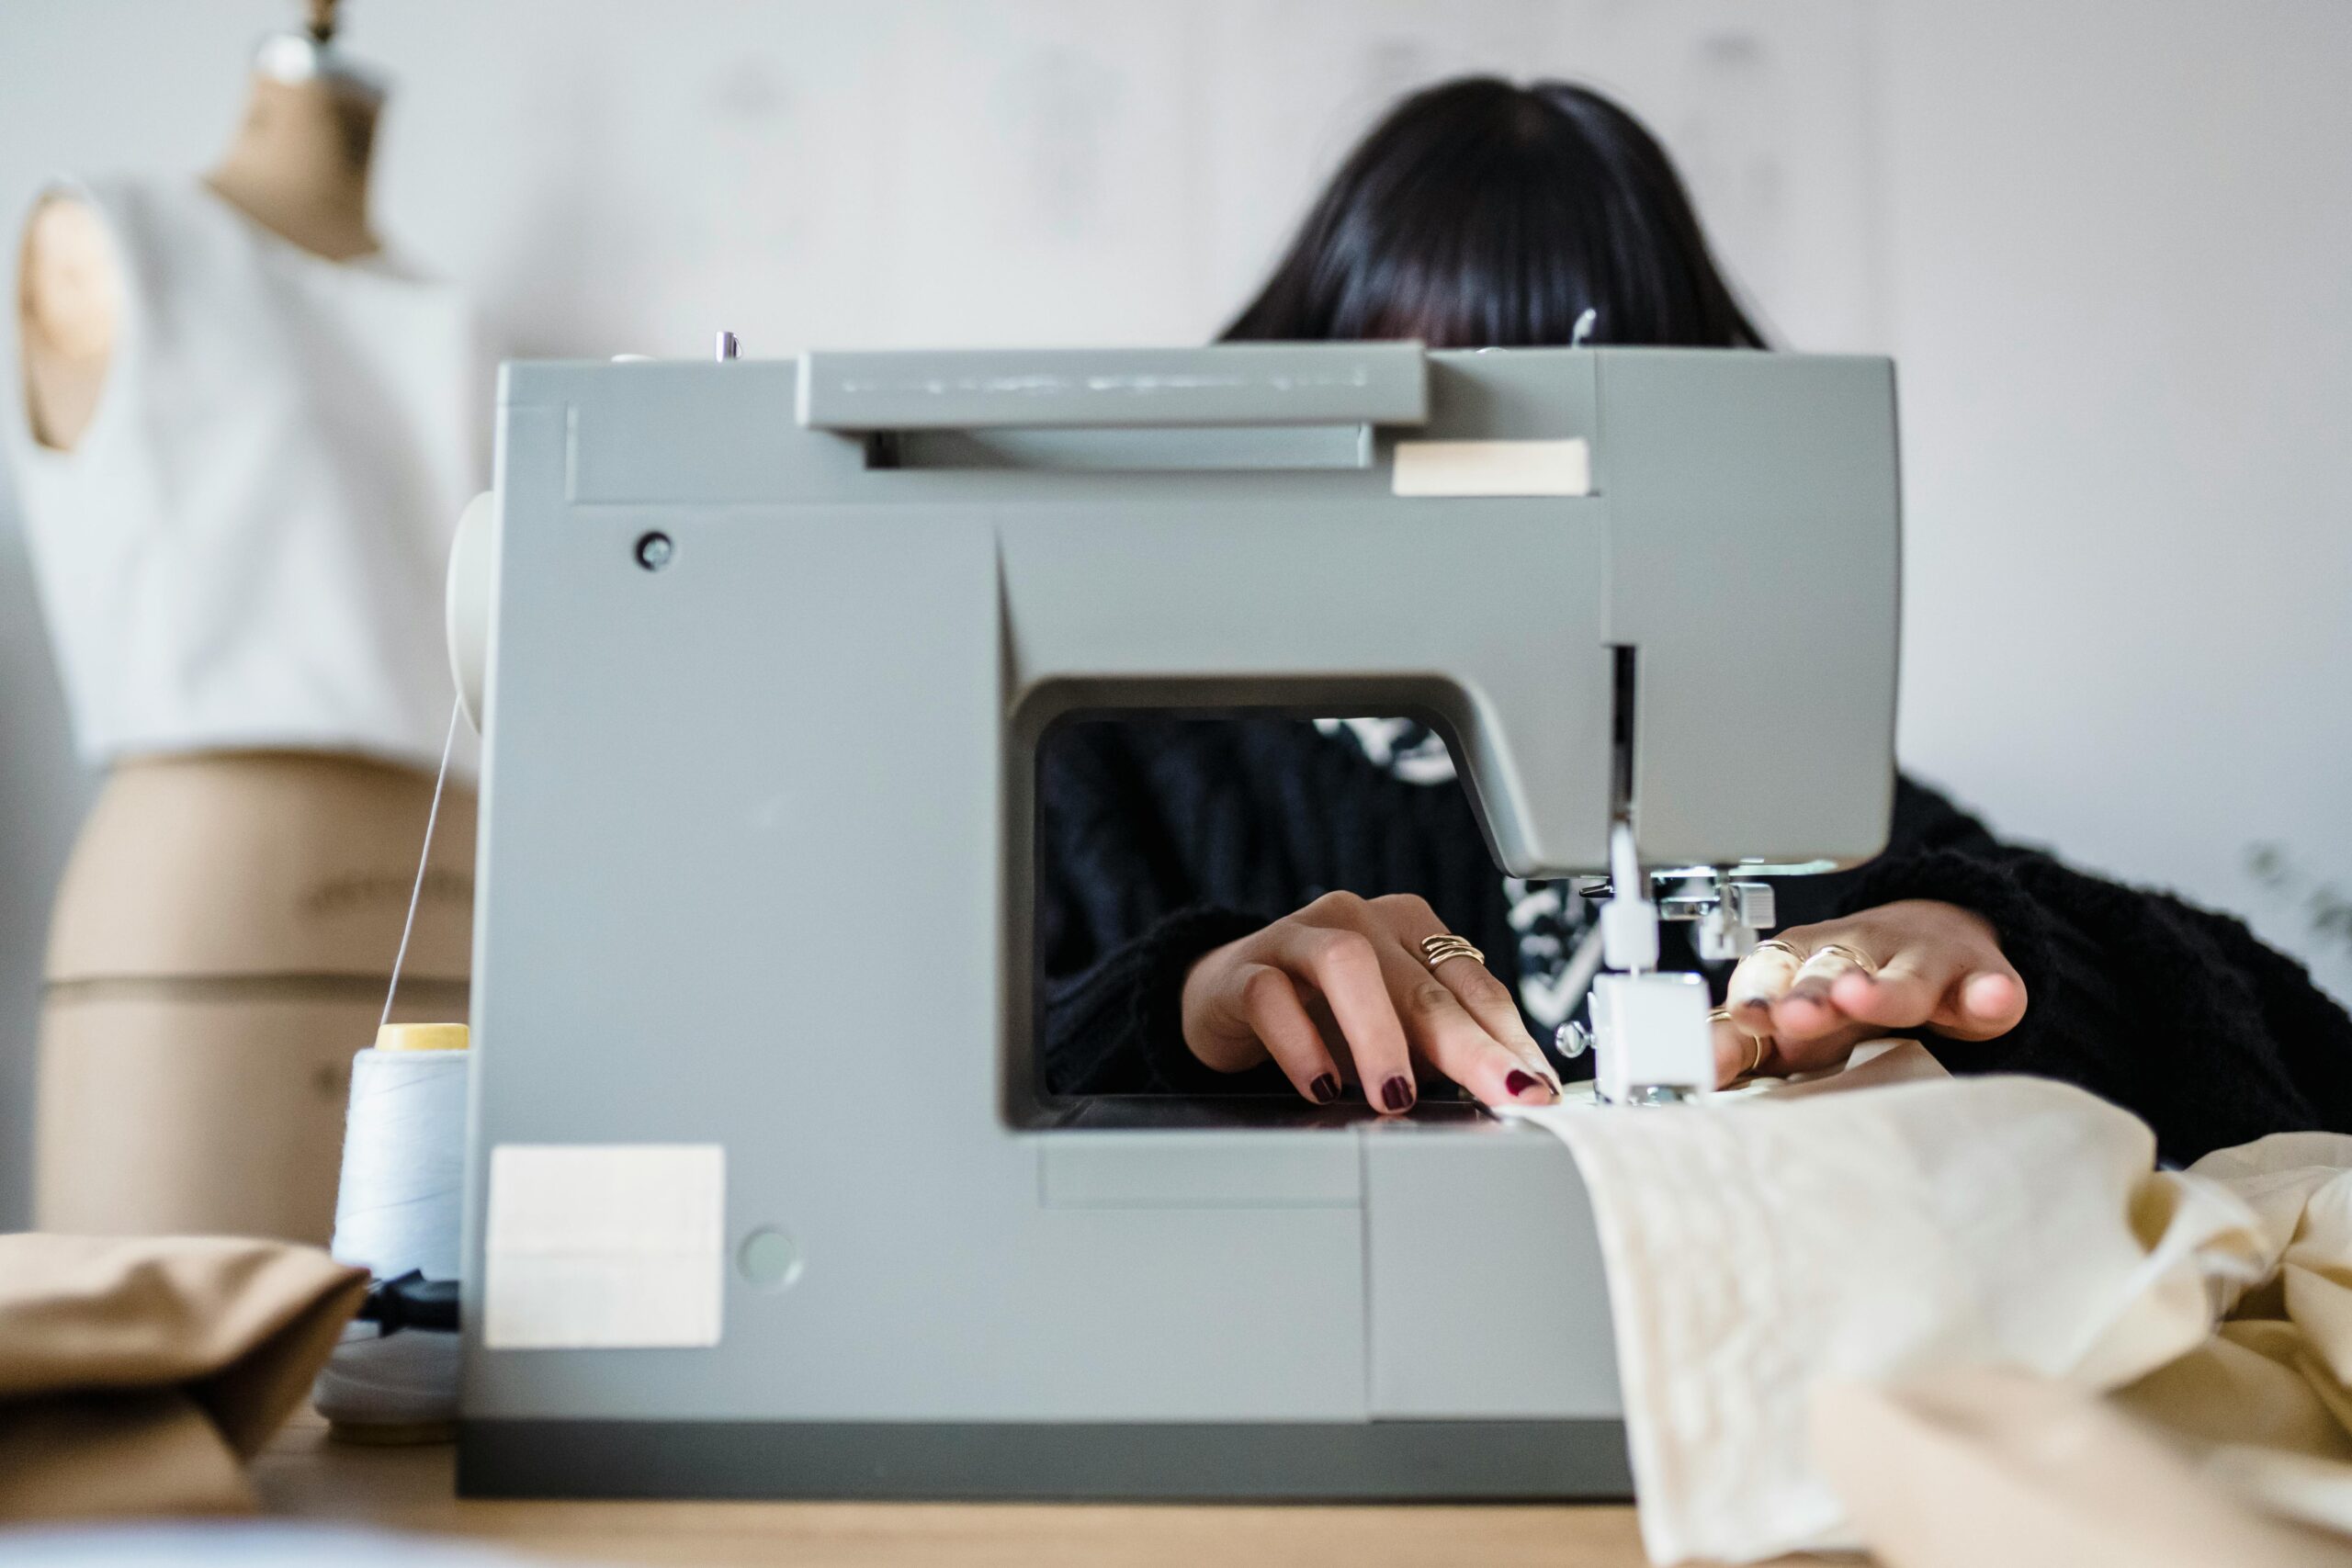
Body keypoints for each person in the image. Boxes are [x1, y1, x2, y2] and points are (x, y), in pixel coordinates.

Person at [1036, 75, 2352, 1164]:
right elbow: (895, 1086)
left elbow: (2304, 1060)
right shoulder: (1105, 781)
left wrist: (1996, 953)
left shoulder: (1768, 784)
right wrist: (1180, 1004)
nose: (1513, 523)